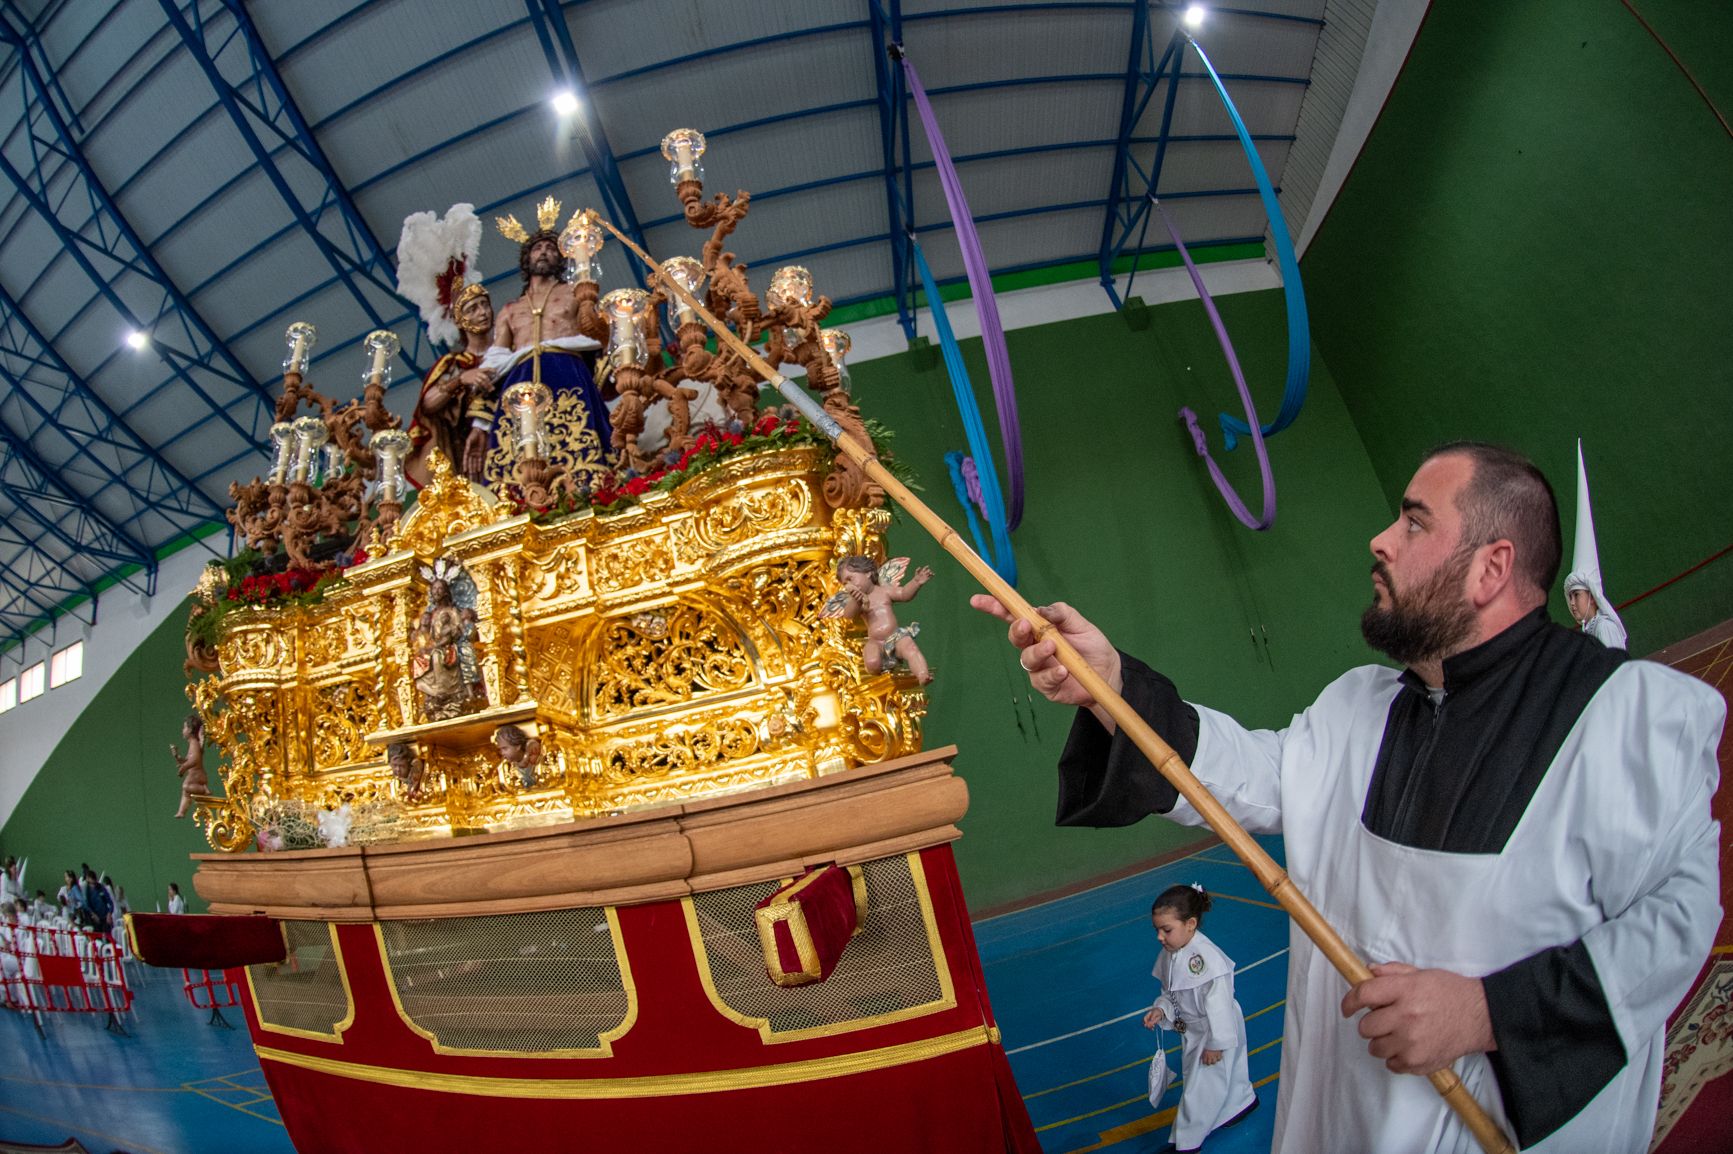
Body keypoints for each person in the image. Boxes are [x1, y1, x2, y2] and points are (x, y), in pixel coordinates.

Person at [975, 442, 1722, 1153]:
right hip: (1336, 1112)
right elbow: (1248, 777)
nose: (1379, 539)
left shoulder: (1631, 713)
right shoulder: (1358, 706)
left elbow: (1677, 921)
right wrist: (1112, 690)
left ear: (1491, 568)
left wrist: (1489, 1011)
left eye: (1413, 520)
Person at [467, 204, 611, 481]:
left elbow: (598, 334)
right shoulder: (510, 310)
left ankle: (585, 481)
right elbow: (496, 359)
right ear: (527, 258)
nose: (544, 252)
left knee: (580, 436)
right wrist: (479, 422)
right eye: (537, 248)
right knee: (519, 446)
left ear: (561, 256)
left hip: (567, 370)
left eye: (550, 248)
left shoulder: (575, 293)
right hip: (520, 379)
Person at [1143, 883, 1257, 1151]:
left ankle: (1185, 1141)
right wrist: (1161, 1009)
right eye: (1157, 930)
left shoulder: (1207, 960)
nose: (1160, 936)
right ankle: (1239, 1103)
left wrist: (1216, 1043)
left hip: (1214, 1029)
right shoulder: (1170, 953)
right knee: (1227, 1074)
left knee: (1199, 1088)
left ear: (1191, 924)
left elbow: (1220, 1006)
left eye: (1166, 930)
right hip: (1194, 1029)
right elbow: (1171, 992)